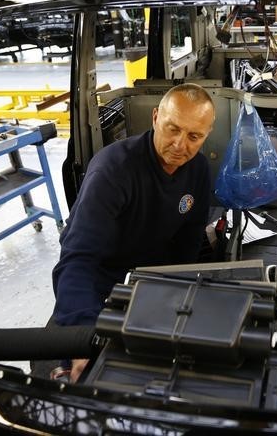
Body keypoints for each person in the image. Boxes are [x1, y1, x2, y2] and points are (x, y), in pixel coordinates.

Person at [50, 82, 216, 382]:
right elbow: (77, 261)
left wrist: (182, 302)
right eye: (172, 129)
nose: (180, 145)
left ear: (207, 135)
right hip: (101, 284)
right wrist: (82, 338)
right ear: (155, 118)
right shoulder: (113, 171)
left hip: (153, 283)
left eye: (194, 136)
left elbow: (189, 245)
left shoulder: (199, 170)